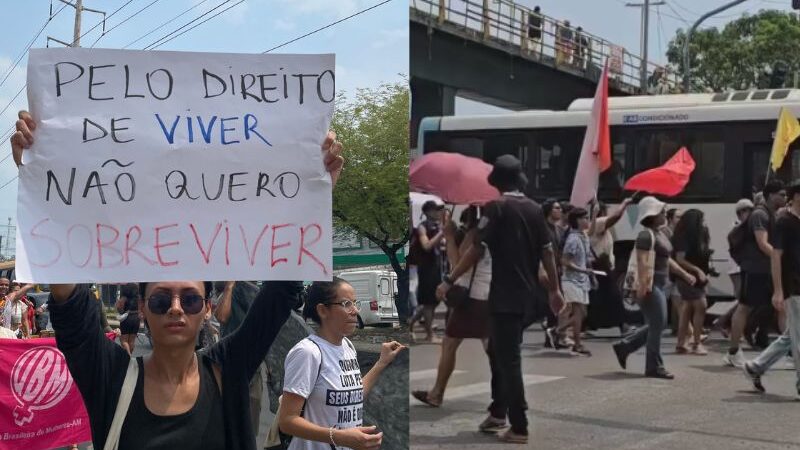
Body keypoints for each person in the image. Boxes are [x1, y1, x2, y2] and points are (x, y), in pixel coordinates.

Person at [10, 109, 344, 450]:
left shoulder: (228, 369)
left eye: (190, 299)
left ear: (208, 308)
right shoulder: (111, 376)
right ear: (143, 307)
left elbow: (281, 290)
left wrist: (313, 198)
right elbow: (72, 307)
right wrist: (41, 174)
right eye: (160, 299)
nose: (175, 308)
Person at [437, 155, 564, 445]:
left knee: (509, 360)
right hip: (528, 297)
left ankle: (519, 425)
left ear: (497, 182)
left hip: (504, 298)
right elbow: (547, 253)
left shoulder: (496, 208)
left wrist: (449, 279)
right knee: (498, 351)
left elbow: (476, 250)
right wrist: (555, 290)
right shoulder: (534, 209)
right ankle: (498, 411)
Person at [278, 278, 405, 450]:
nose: (355, 311)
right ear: (323, 310)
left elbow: (352, 395)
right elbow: (287, 421)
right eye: (346, 304)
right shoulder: (308, 353)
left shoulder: (347, 346)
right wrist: (338, 437)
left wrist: (381, 363)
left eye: (355, 303)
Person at [412, 206, 492, 407]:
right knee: (488, 344)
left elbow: (458, 264)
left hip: (470, 296)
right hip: (487, 293)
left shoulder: (475, 234)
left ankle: (436, 394)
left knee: (450, 343)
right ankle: (504, 394)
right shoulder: (492, 231)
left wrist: (448, 237)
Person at [611, 197, 696, 379]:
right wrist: (643, 287)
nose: (665, 214)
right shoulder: (646, 235)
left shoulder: (660, 234)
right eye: (661, 212)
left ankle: (625, 346)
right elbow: (642, 262)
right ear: (653, 215)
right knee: (658, 324)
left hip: (658, 284)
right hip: (651, 285)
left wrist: (684, 274)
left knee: (658, 323)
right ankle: (653, 366)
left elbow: (667, 259)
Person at [742, 180, 800, 400]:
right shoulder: (784, 222)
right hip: (793, 285)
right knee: (798, 336)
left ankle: (756, 366)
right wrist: (778, 290)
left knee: (791, 335)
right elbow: (776, 256)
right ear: (796, 196)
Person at [724, 180, 787, 367]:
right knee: (745, 307)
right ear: (771, 195)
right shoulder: (760, 214)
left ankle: (791, 351)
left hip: (767, 269)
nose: (785, 198)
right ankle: (733, 351)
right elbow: (762, 243)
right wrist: (781, 258)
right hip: (755, 269)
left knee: (782, 307)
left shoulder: (772, 214)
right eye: (782, 195)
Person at [548, 207, 593, 356]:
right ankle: (577, 344)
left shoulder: (583, 236)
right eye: (585, 218)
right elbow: (565, 261)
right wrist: (582, 270)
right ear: (577, 220)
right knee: (578, 313)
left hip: (582, 280)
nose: (587, 221)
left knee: (583, 313)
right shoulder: (573, 239)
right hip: (572, 280)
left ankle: (557, 330)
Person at [586, 198, 633, 335]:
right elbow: (616, 217)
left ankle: (588, 325)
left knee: (598, 296)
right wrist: (624, 203)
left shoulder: (593, 226)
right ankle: (623, 325)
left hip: (600, 265)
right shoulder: (598, 223)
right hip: (601, 265)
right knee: (614, 295)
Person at [672, 209, 712, 355]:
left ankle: (681, 343)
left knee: (687, 308)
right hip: (687, 276)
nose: (704, 223)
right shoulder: (683, 237)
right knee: (701, 305)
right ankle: (696, 343)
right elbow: (680, 259)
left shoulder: (699, 235)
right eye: (701, 220)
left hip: (696, 276)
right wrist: (697, 270)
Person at [409, 200, 447, 343]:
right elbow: (426, 246)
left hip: (439, 269)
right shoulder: (423, 227)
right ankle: (429, 335)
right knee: (429, 303)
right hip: (427, 269)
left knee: (434, 301)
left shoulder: (438, 226)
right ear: (427, 212)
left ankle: (412, 322)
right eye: (435, 210)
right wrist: (441, 234)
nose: (438, 212)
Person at [716, 199, 755, 337]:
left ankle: (726, 323)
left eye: (750, 210)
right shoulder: (737, 228)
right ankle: (725, 322)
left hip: (743, 267)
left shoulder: (746, 226)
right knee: (743, 300)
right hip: (736, 268)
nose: (749, 214)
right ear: (739, 213)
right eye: (746, 211)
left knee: (745, 300)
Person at [542, 199, 565, 347]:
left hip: (557, 270)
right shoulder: (544, 229)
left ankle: (551, 337)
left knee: (554, 306)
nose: (560, 210)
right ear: (549, 211)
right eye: (557, 208)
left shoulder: (558, 229)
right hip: (546, 272)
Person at [116, 283, 142, 355]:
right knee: (132, 341)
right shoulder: (138, 298)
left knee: (124, 341)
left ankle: (128, 357)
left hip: (127, 318)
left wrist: (121, 311)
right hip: (136, 318)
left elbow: (119, 308)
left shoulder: (124, 298)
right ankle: (130, 354)